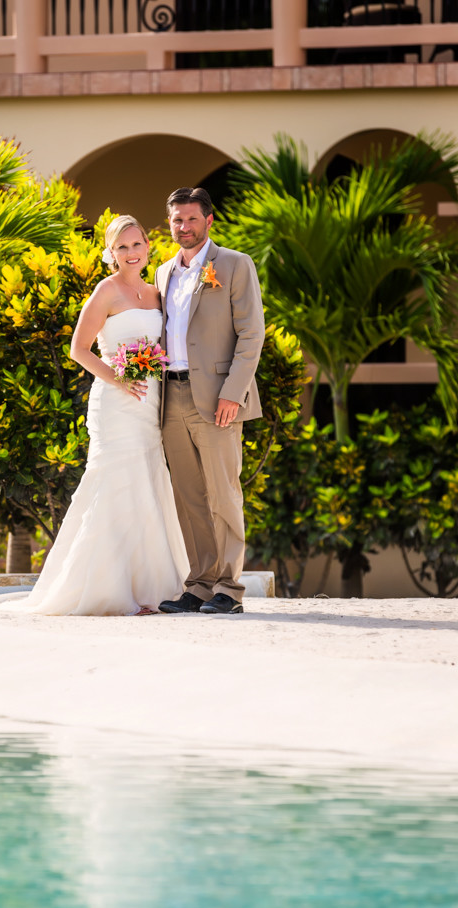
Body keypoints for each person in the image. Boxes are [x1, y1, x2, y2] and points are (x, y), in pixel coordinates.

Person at [24, 214, 188, 616]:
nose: (131, 253)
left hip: (149, 403)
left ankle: (151, 588)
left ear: (148, 246)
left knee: (147, 483)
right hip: (115, 403)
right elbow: (78, 349)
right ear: (111, 253)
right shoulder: (106, 290)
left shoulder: (157, 293)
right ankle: (105, 588)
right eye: (122, 247)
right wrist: (119, 378)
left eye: (136, 245)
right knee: (115, 481)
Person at [156, 187, 265, 615]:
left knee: (223, 495)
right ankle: (199, 585)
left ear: (208, 221)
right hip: (171, 397)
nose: (183, 227)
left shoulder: (235, 265)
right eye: (177, 220)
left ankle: (229, 589)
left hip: (219, 399)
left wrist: (232, 395)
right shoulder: (164, 273)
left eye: (191, 219)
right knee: (189, 497)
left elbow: (251, 335)